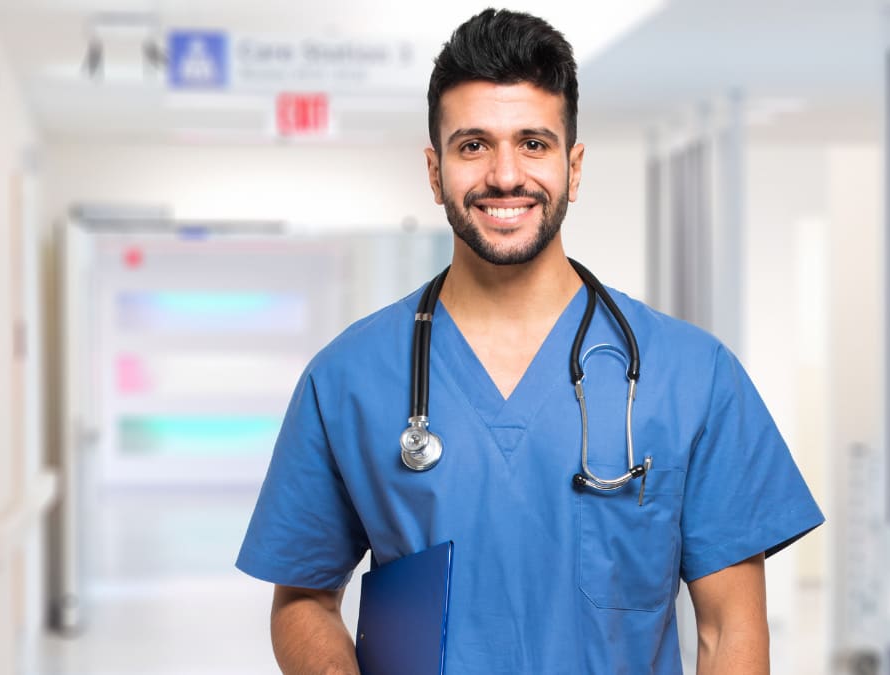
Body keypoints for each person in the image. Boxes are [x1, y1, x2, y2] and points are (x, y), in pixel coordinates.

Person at [237, 8, 823, 674]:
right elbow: (303, 597)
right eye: (473, 145)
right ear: (434, 171)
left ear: (574, 166)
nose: (505, 175)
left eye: (534, 143)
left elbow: (730, 629)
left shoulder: (693, 377)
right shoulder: (347, 378)